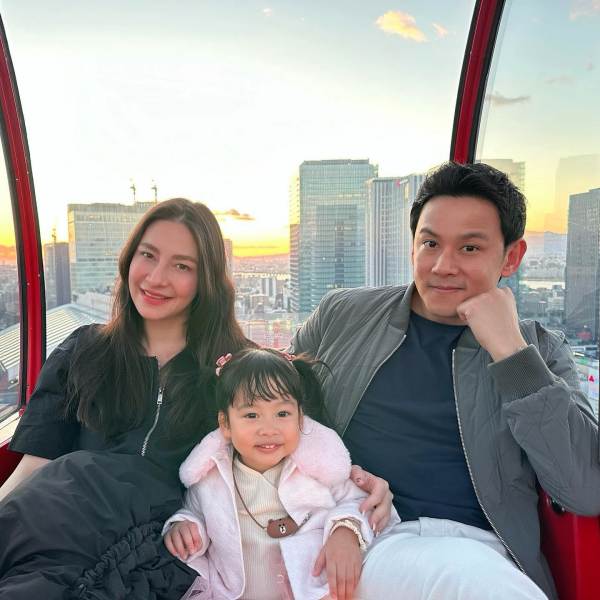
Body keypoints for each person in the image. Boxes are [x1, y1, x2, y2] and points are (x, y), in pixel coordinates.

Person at [291, 161, 600, 600]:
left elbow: (585, 488)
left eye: (469, 248)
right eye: (430, 243)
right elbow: (266, 411)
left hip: (484, 556)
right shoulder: (343, 316)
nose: (442, 266)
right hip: (364, 538)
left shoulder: (540, 351)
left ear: (511, 257)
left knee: (469, 575)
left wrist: (511, 353)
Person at [0, 198, 252, 598]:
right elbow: (35, 466)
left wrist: (352, 498)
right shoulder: (83, 351)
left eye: (182, 266)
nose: (156, 278)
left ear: (206, 280)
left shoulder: (233, 370)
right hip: (52, 528)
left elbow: (280, 456)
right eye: (147, 255)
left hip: (148, 553)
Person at [163, 348, 397, 600]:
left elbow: (360, 505)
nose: (268, 429)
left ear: (300, 419)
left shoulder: (317, 471)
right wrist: (185, 527)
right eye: (251, 415)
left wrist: (345, 531)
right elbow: (194, 514)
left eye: (282, 414)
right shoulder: (211, 478)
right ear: (225, 424)